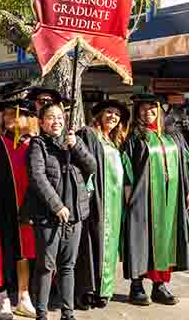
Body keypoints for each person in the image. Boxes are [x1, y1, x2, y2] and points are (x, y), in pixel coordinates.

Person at [122, 94, 189, 307]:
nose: (148, 113)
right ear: (137, 112)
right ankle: (136, 286)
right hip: (143, 198)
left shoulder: (173, 136)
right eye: (143, 109)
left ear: (160, 111)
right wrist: (128, 194)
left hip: (171, 199)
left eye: (152, 109)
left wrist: (188, 191)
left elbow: (187, 165)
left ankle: (159, 286)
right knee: (141, 239)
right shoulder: (135, 138)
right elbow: (126, 166)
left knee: (166, 239)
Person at [26, 103, 97, 320]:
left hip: (74, 215)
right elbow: (38, 177)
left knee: (68, 265)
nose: (56, 121)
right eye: (50, 117)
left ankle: (68, 312)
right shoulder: (38, 145)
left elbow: (92, 166)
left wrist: (76, 147)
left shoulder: (72, 141)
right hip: (48, 216)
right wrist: (57, 206)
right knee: (46, 266)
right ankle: (41, 313)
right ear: (41, 122)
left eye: (59, 117)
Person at [0, 98, 38, 320]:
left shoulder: (34, 144)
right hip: (1, 209)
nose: (10, 118)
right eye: (6, 115)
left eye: (16, 114)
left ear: (27, 118)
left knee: (24, 253)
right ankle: (3, 297)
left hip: (28, 210)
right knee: (3, 254)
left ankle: (24, 298)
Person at [75, 100, 131, 308]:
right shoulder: (88, 134)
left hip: (114, 204)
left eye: (117, 115)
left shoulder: (113, 141)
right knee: (90, 243)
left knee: (109, 247)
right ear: (98, 115)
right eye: (109, 112)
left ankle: (103, 290)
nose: (113, 117)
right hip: (96, 199)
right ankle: (85, 290)